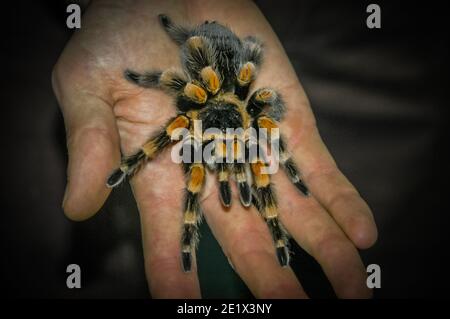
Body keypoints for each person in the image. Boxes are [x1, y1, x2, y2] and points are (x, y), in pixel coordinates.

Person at [52, 0, 378, 298]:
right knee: (201, 84)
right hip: (213, 74)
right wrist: (131, 161)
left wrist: (292, 171)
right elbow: (178, 80)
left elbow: (264, 91)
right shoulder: (198, 101)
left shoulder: (249, 113)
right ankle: (190, 232)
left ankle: (278, 235)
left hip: (331, 37)